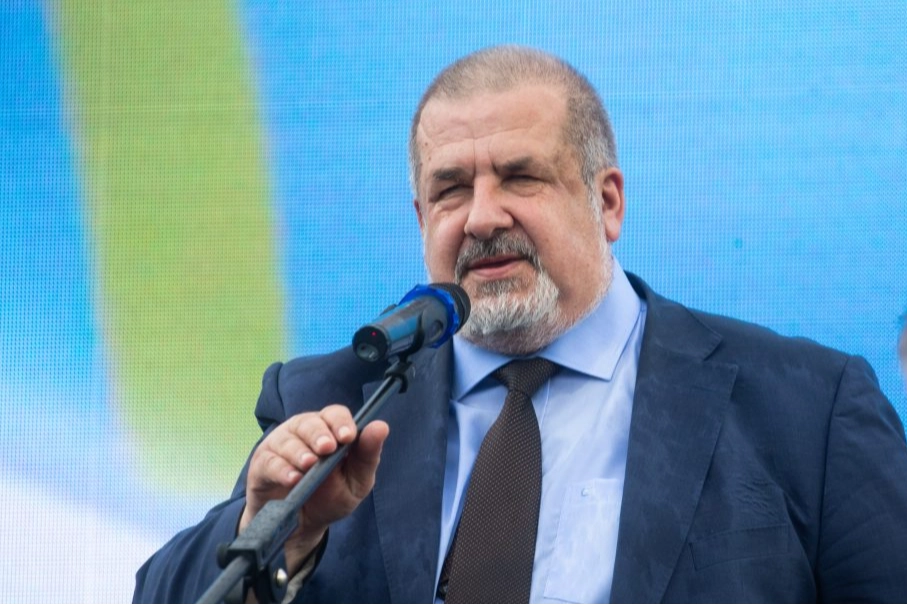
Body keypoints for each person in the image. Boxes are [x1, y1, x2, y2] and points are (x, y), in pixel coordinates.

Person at [134, 46, 907, 604]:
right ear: (421, 218)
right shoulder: (334, 399)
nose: (481, 217)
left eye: (520, 176)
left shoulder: (805, 408)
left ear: (606, 201)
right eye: (450, 189)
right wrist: (279, 528)